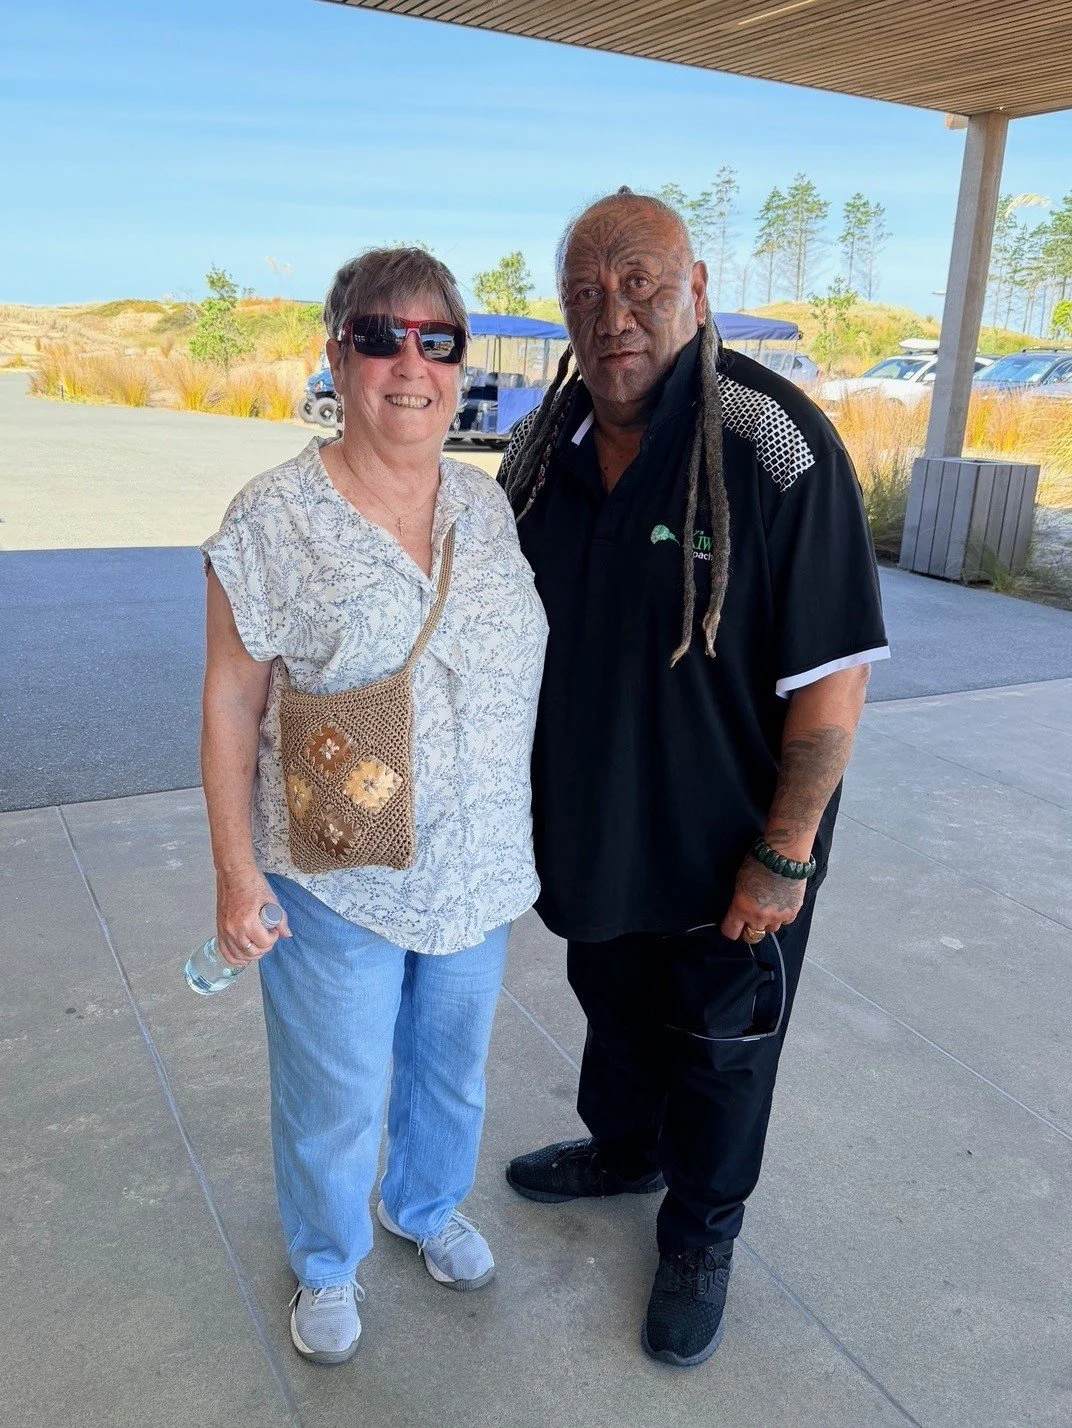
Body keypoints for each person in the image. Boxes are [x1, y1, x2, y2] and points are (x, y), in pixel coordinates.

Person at [500, 190, 889, 1367]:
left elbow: (830, 681)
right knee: (613, 1007)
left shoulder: (772, 442)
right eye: (584, 291)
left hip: (734, 843)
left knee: (722, 1051)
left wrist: (785, 853)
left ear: (698, 288)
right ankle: (624, 1150)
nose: (611, 312)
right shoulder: (541, 448)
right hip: (594, 828)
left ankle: (701, 1233)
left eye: (639, 283)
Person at [199, 247, 547, 1366]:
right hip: (335, 867)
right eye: (380, 336)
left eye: (436, 340)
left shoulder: (487, 510)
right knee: (335, 1088)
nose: (411, 363)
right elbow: (227, 700)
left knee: (452, 1067)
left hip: (479, 863)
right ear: (335, 355)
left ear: (459, 363)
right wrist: (234, 872)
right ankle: (326, 1260)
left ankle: (424, 1201)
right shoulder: (272, 517)